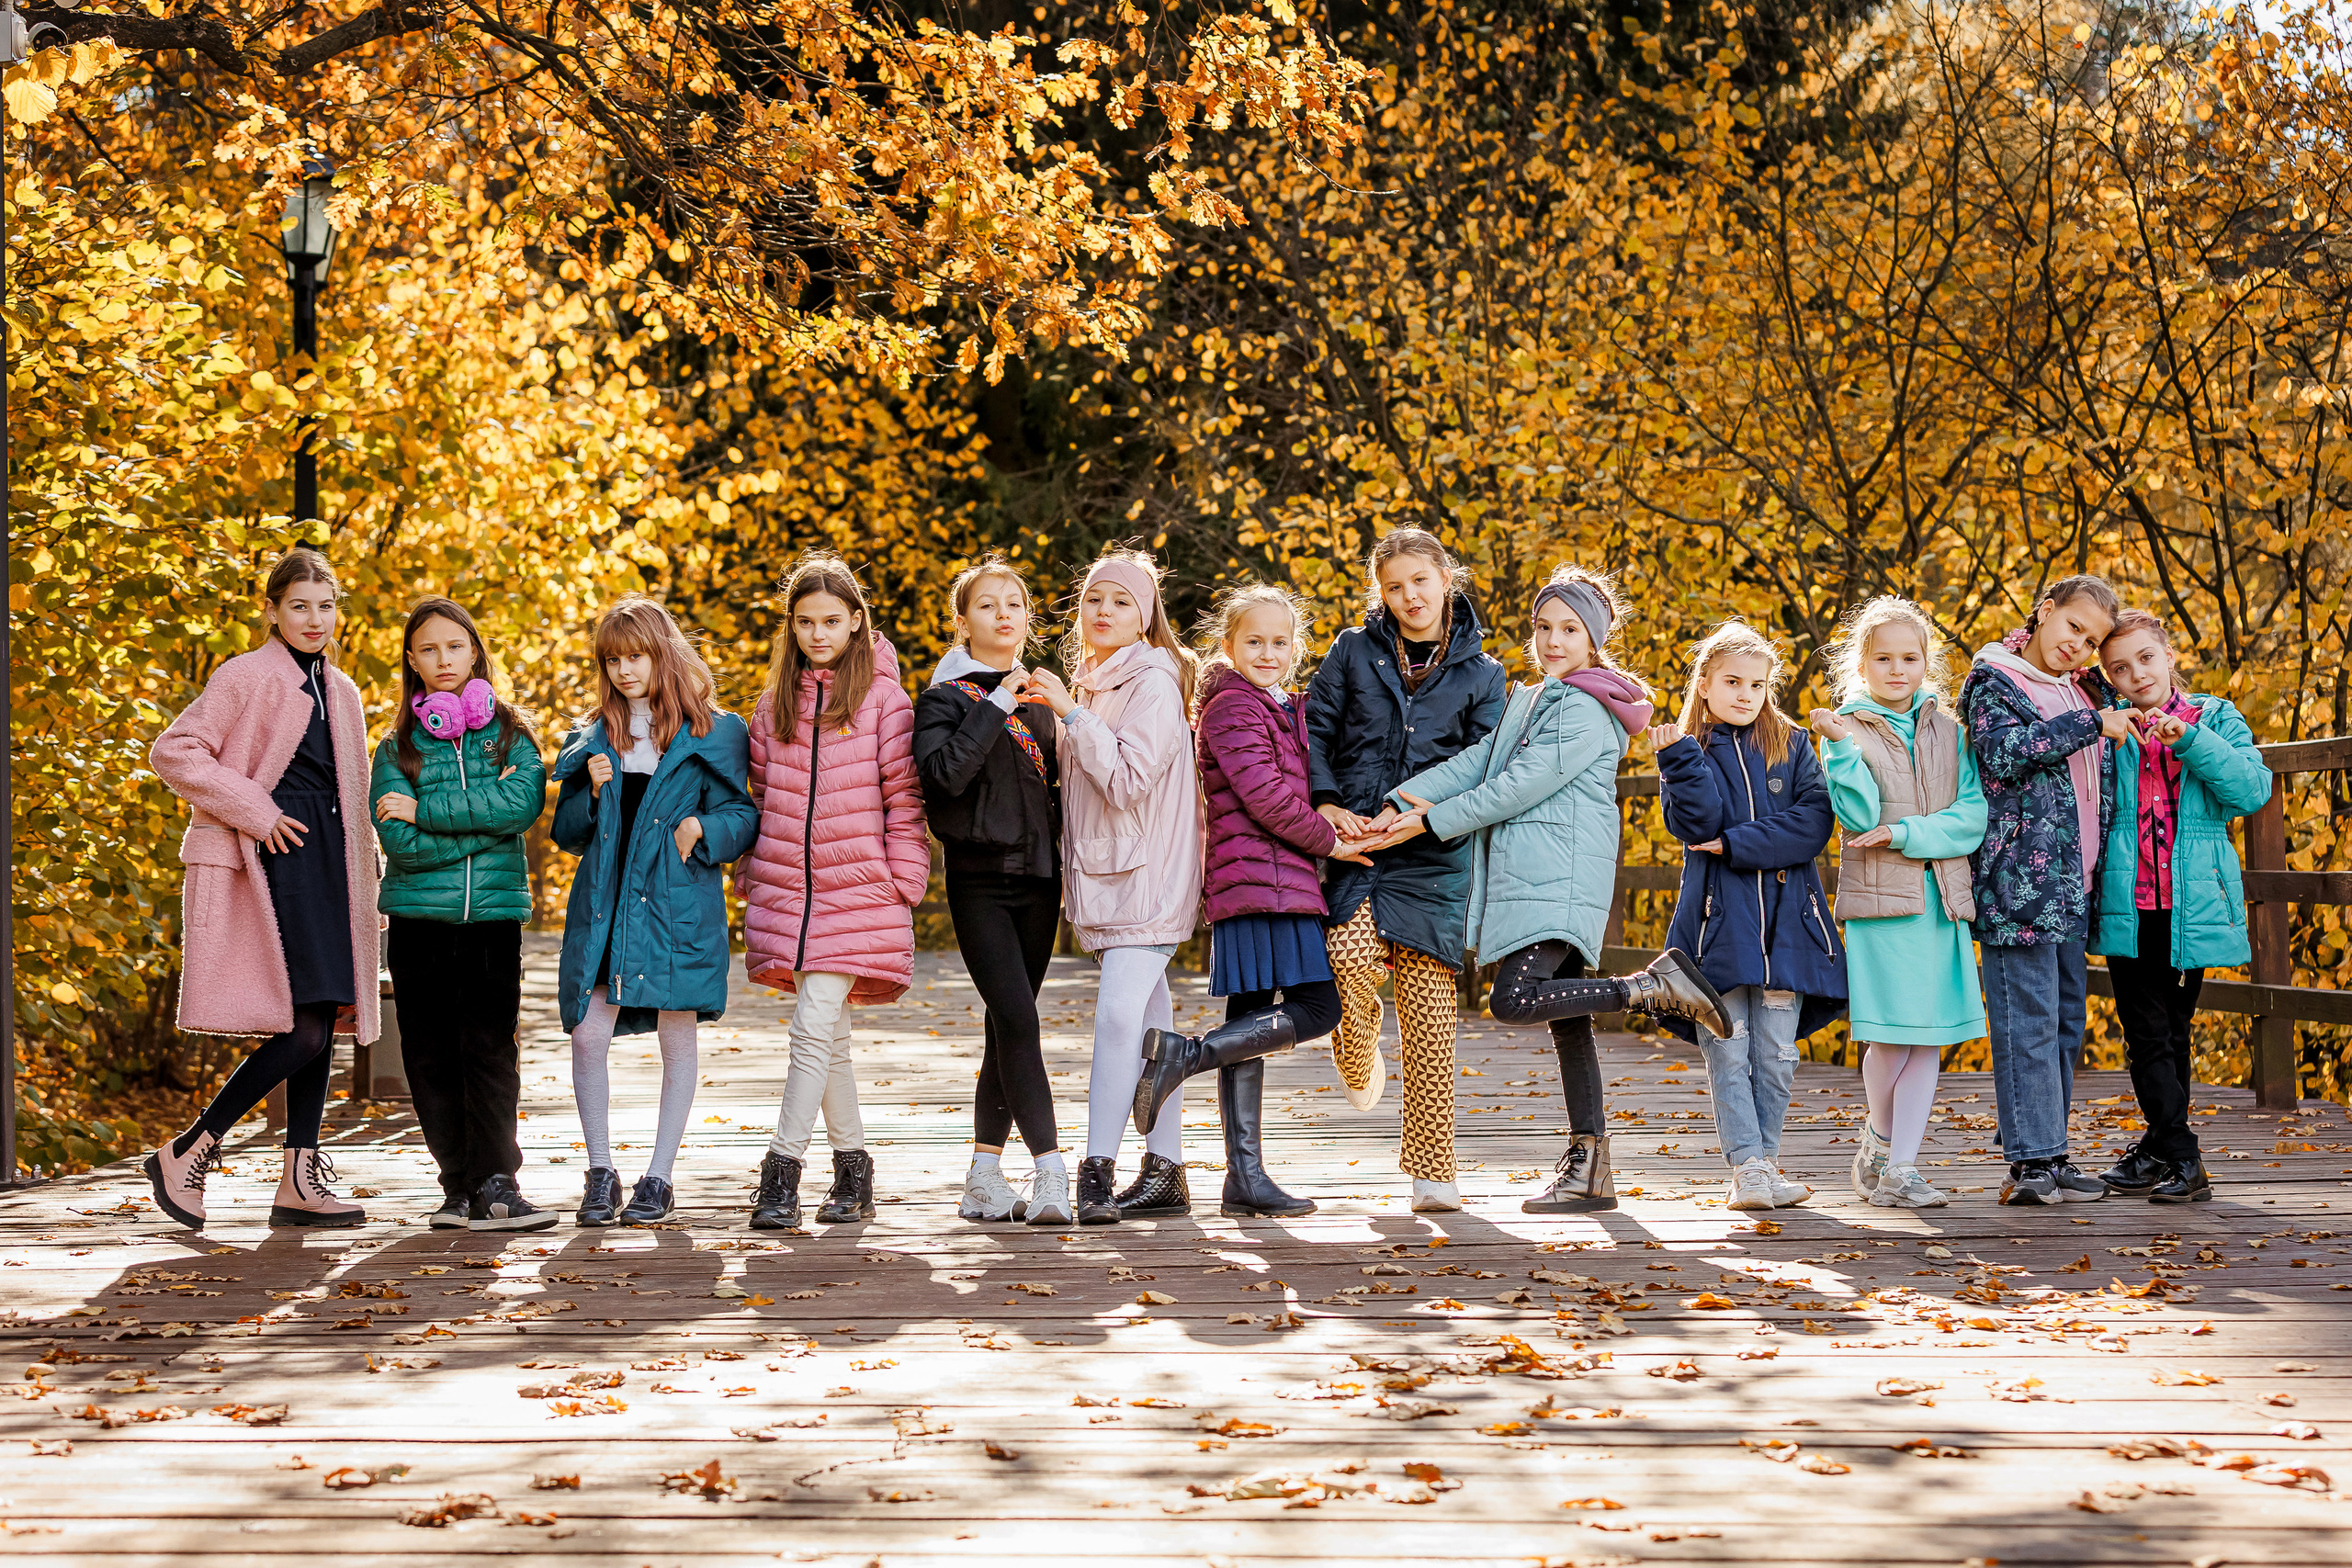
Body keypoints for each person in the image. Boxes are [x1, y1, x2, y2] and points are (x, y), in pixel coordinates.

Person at [1372, 565, 1724, 1213]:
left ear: (1594, 641)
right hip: (1532, 879)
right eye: (1543, 627)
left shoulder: (1586, 708)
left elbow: (1519, 785)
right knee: (1567, 1021)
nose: (1553, 640)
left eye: (1569, 629)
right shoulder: (1535, 697)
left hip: (1558, 879)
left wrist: (1431, 822)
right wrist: (1400, 799)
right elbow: (1480, 763)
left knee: (1514, 999)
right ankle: (1591, 1170)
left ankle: (1649, 987)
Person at [141, 547, 379, 1230]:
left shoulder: (344, 689)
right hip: (279, 859)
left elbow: (351, 792)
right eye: (299, 605)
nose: (315, 619)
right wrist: (258, 810)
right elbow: (175, 751)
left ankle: (299, 1178)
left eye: (326, 606)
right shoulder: (244, 675)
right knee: (300, 1027)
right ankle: (189, 1148)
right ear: (272, 610)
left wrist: (367, 870)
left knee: (325, 1012)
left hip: (333, 861)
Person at [1129, 583, 1377, 1219]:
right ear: (1228, 644)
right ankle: (1188, 1055)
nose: (1268, 651)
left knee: (1251, 1021)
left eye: (1279, 641)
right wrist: (1332, 841)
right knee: (1320, 1007)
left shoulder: (1279, 704)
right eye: (1254, 641)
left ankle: (1245, 1177)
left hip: (1272, 879)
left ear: (1295, 647)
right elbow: (1265, 797)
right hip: (1262, 880)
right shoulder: (1232, 707)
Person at [1305, 528, 1507, 1213]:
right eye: (1394, 586)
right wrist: (1326, 801)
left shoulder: (1485, 674)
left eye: (1419, 580)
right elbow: (1314, 729)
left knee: (1429, 1012)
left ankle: (1433, 1169)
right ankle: (1357, 1054)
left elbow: (1486, 769)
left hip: (1432, 851)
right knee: (1348, 955)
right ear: (1380, 592)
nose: (1409, 596)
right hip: (1357, 839)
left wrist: (1425, 816)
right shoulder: (1352, 650)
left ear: (1445, 577)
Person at [551, 596, 758, 1226]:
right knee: (588, 1032)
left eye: (635, 655)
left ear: (662, 653)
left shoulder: (714, 731)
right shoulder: (593, 736)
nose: (624, 670)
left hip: (676, 904)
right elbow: (567, 832)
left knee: (677, 1033)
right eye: (612, 659)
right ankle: (601, 1170)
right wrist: (589, 787)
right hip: (606, 903)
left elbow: (744, 815)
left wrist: (702, 828)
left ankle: (659, 1176)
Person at [740, 556, 929, 1231]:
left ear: (856, 622)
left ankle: (780, 1173)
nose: (818, 633)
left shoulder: (884, 698)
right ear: (790, 627)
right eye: (804, 621)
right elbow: (762, 799)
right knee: (831, 1038)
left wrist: (904, 878)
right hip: (793, 893)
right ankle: (854, 1171)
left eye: (831, 620)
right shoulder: (773, 705)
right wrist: (753, 876)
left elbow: (904, 797)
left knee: (810, 1027)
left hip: (862, 888)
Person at [1023, 551, 1204, 1224]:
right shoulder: (1095, 681)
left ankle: (1094, 1172)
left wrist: (1071, 713)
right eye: (1094, 599)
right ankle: (1167, 1169)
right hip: (1112, 876)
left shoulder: (1152, 681)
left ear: (1147, 615)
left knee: (1117, 1018)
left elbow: (1127, 781)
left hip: (1148, 876)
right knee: (1155, 1026)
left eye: (1122, 602)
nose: (1104, 611)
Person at [369, 596, 553, 1231]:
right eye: (428, 648)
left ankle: (499, 1185)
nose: (443, 659)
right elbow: (400, 844)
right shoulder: (395, 747)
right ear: (411, 661)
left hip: (493, 920)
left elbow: (522, 804)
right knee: (429, 1056)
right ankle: (457, 1187)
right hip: (418, 924)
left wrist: (427, 812)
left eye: (454, 645)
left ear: (475, 651)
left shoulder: (511, 733)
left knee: (490, 1053)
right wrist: (483, 824)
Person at [1652, 617, 1845, 1211]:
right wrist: (1681, 761)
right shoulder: (1689, 752)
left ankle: (1763, 1159)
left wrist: (1738, 844)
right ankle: (1748, 1166)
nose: (1745, 694)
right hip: (1719, 931)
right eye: (1732, 681)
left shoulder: (1791, 744)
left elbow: (1813, 823)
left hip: (1789, 929)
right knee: (1728, 1047)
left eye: (1757, 685)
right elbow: (1698, 823)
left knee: (1778, 1052)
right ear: (1704, 685)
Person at [1959, 573, 2132, 1206]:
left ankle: (2051, 1153)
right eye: (2072, 628)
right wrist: (2091, 725)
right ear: (2044, 610)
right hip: (2018, 881)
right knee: (2022, 1019)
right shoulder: (1994, 682)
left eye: (2091, 640)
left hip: (2070, 884)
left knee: (2063, 1023)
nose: (2079, 646)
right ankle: (2028, 1160)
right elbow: (2005, 754)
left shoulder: (2079, 689)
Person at [1812, 597, 1988, 1209]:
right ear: (1861, 664)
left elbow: (1970, 818)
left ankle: (1901, 1168)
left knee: (1929, 1038)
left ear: (1925, 661)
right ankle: (1881, 1141)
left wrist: (1905, 833)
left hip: (1939, 903)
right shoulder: (1848, 726)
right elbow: (1857, 814)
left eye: (1909, 657)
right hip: (1882, 905)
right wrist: (1837, 749)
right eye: (1883, 658)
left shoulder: (1948, 729)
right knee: (1891, 1036)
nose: (1897, 669)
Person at [2091, 610, 2271, 1204]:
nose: (2135, 673)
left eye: (2145, 657)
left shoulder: (2215, 717)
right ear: (2109, 678)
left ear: (2168, 654)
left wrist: (2188, 739)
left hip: (2190, 902)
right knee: (2146, 1032)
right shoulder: (2110, 730)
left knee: (2172, 1029)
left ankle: (2163, 1149)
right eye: (2119, 666)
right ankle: (2179, 1154)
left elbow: (2250, 789)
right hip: (2129, 900)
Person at [913, 558, 1073, 1227]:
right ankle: (1051, 1172)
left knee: (1002, 1027)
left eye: (1015, 603)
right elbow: (944, 779)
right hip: (978, 884)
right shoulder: (943, 699)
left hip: (1039, 882)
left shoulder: (1045, 697)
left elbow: (1065, 792)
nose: (1004, 614)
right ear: (962, 621)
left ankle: (982, 1174)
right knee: (1020, 1019)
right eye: (987, 605)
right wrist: (997, 702)